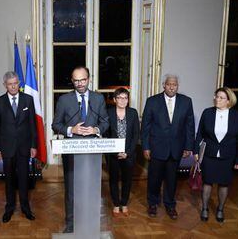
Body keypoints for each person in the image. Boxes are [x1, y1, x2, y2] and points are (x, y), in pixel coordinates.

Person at [52, 66, 109, 233]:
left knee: (91, 188)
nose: (80, 83)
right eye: (76, 80)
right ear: (72, 81)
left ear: (89, 79)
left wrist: (95, 130)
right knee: (71, 190)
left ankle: (91, 223)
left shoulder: (98, 99)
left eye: (83, 80)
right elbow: (56, 124)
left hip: (92, 151)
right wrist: (71, 130)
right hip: (72, 150)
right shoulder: (64, 100)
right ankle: (70, 225)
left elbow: (105, 122)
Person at [141, 74, 195, 220]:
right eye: (169, 84)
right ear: (163, 85)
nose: (172, 87)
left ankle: (170, 205)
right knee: (154, 178)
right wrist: (145, 147)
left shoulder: (186, 101)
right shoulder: (152, 101)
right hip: (156, 148)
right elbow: (145, 126)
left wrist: (188, 147)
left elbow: (190, 126)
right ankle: (152, 203)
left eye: (175, 84)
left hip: (176, 148)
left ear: (178, 86)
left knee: (172, 179)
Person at [194, 87, 238, 223]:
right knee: (207, 182)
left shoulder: (237, 116)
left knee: (224, 184)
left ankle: (220, 209)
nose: (217, 99)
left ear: (229, 101)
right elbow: (199, 134)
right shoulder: (208, 113)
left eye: (221, 97)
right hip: (209, 154)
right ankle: (205, 208)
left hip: (228, 156)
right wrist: (195, 152)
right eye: (216, 96)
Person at [0, 71, 37, 223]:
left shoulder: (28, 100)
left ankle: (26, 208)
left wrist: (33, 145)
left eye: (15, 83)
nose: (13, 86)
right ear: (5, 85)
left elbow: (33, 125)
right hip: (7, 149)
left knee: (24, 179)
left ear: (19, 83)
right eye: (10, 84)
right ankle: (9, 208)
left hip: (24, 147)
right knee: (9, 180)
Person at [105, 87, 139, 217]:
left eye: (125, 98)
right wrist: (113, 151)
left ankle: (124, 203)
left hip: (129, 153)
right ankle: (116, 204)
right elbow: (106, 134)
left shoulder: (133, 113)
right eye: (120, 97)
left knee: (127, 179)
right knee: (113, 179)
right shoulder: (108, 113)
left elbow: (136, 135)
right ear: (114, 99)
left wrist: (128, 152)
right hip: (112, 154)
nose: (123, 100)